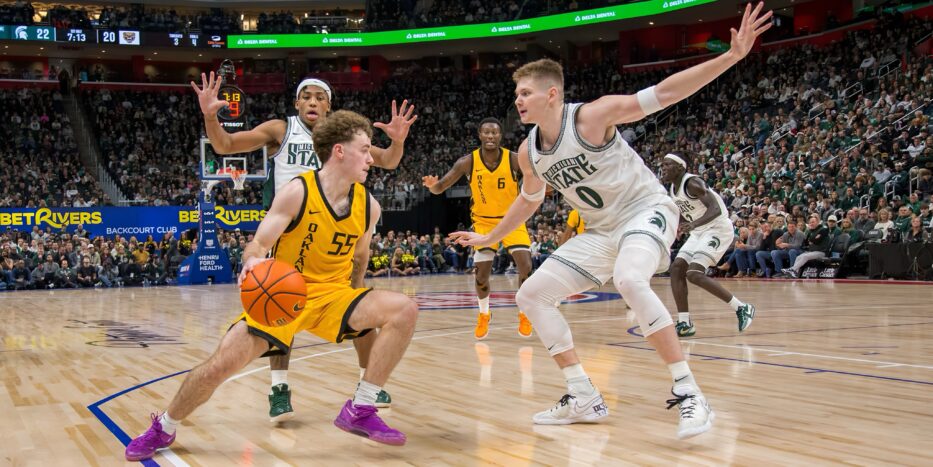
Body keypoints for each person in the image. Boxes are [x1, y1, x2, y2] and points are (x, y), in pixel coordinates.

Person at [450, 2, 771, 438]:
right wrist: (489, 235)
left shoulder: (591, 116)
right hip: (601, 231)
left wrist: (731, 56)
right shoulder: (528, 152)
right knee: (532, 295)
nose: (517, 100)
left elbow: (665, 93)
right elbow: (528, 201)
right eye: (516, 94)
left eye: (525, 92)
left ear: (552, 94)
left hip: (646, 211)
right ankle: (583, 395)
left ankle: (690, 392)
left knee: (630, 280)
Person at [125, 110, 419, 461]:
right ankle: (165, 425)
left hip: (334, 296)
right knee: (220, 365)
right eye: (365, 150)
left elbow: (360, 257)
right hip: (285, 294)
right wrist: (250, 260)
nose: (372, 159)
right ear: (339, 151)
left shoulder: (368, 205)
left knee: (405, 308)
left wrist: (358, 300)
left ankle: (361, 406)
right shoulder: (298, 191)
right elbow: (259, 244)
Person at [191, 73, 416, 420]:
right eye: (306, 97)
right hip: (289, 228)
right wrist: (210, 116)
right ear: (297, 103)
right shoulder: (281, 130)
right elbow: (225, 146)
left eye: (319, 97)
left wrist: (398, 141)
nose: (312, 102)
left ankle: (366, 384)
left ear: (329, 104)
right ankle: (279, 386)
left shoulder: (344, 140)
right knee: (282, 304)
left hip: (334, 227)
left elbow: (387, 160)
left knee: (359, 302)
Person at [422, 118, 534, 339]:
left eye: (494, 133)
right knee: (481, 275)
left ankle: (524, 313)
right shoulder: (467, 162)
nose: (490, 136)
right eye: (486, 133)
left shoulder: (513, 160)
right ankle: (484, 314)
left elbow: (536, 179)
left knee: (526, 267)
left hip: (511, 221)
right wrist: (432, 186)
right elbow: (441, 186)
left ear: (500, 136)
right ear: (480, 135)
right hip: (483, 223)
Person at [660, 152, 755, 338]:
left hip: (717, 228)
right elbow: (687, 210)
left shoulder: (693, 183)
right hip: (699, 231)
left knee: (694, 273)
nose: (663, 168)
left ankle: (742, 307)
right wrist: (679, 225)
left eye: (667, 164)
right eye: (662, 165)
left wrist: (693, 224)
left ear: (680, 167)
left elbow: (715, 208)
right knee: (677, 268)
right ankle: (685, 322)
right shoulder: (672, 188)